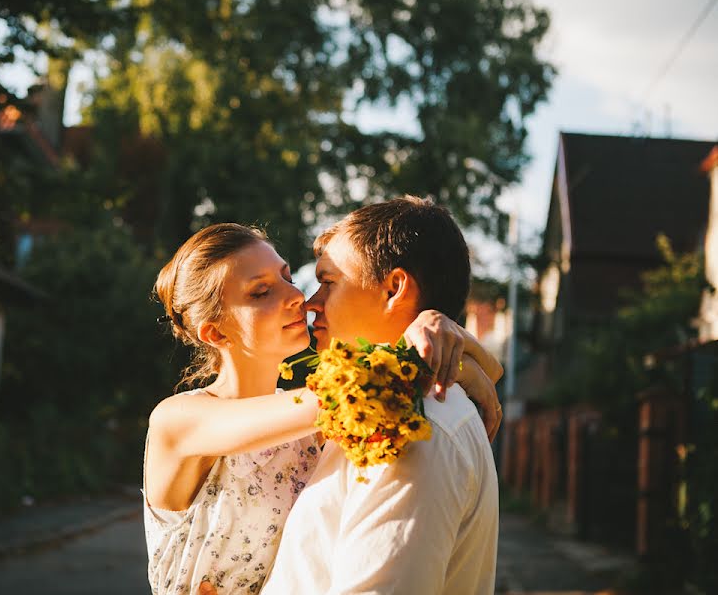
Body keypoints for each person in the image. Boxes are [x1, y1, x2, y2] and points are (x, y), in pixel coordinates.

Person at [144, 221, 502, 594]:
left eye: (286, 276)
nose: (297, 296)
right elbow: (352, 392)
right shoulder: (178, 421)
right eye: (262, 292)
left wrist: (449, 341)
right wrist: (443, 347)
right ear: (216, 333)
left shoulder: (315, 429)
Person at [261, 196, 500, 594]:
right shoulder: (382, 402)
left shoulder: (408, 423)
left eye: (328, 282)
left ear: (394, 289)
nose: (310, 303)